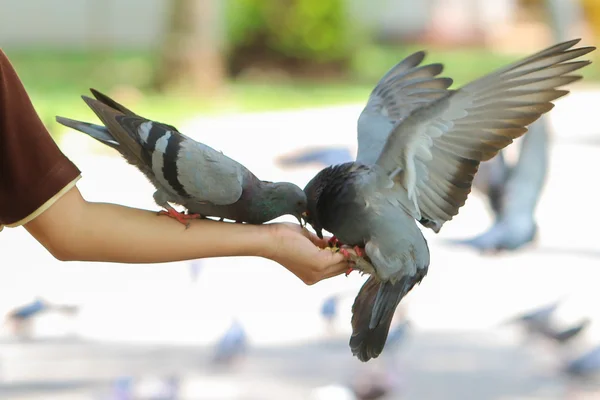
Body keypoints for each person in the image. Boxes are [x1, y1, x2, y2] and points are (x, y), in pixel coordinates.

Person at [0, 49, 348, 285]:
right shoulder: (231, 186)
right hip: (154, 151)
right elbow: (70, 231)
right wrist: (271, 240)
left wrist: (273, 240)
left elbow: (70, 229)